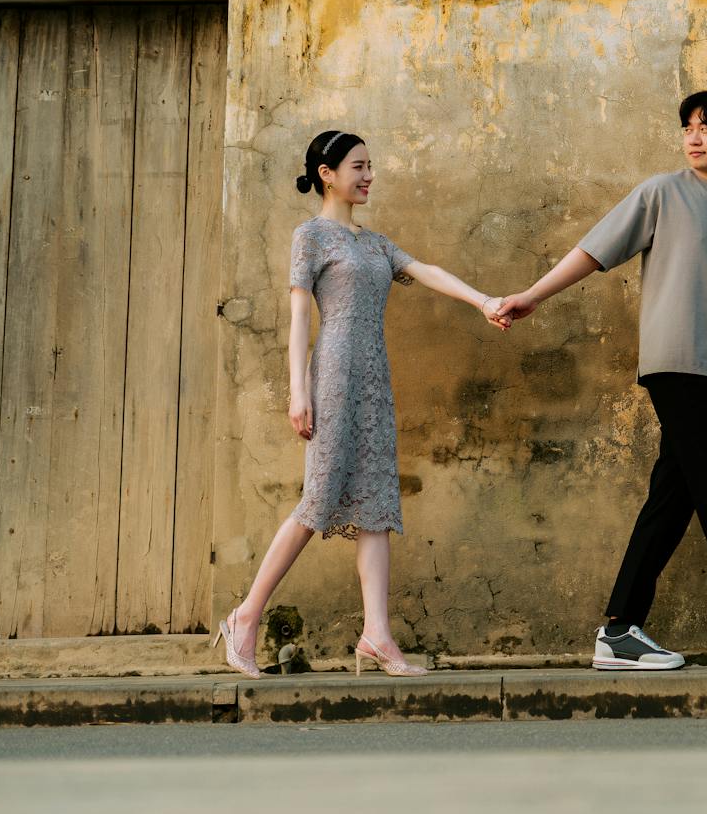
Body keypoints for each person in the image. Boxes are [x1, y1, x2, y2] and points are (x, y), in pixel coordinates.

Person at [491, 90, 707, 671]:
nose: (693, 137)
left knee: (673, 498)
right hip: (677, 360)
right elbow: (594, 250)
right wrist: (531, 296)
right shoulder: (662, 193)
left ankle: (621, 630)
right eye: (687, 127)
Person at [213, 130, 508, 679]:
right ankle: (246, 617)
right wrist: (298, 391)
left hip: (375, 379)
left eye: (371, 166)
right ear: (327, 174)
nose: (368, 175)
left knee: (376, 502)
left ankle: (377, 636)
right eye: (358, 166)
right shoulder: (311, 236)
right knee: (319, 497)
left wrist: (482, 300)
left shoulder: (375, 244)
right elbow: (301, 317)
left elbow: (426, 271)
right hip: (333, 375)